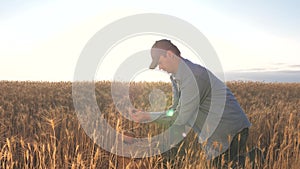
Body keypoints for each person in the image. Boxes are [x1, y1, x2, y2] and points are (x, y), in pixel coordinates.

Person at [129, 39, 251, 168]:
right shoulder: (176, 77)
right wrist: (148, 115)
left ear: (170, 54)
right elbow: (174, 110)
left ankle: (256, 159)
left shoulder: (193, 77)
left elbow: (181, 118)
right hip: (215, 133)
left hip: (229, 131)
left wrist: (148, 116)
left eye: (160, 62)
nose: (160, 67)